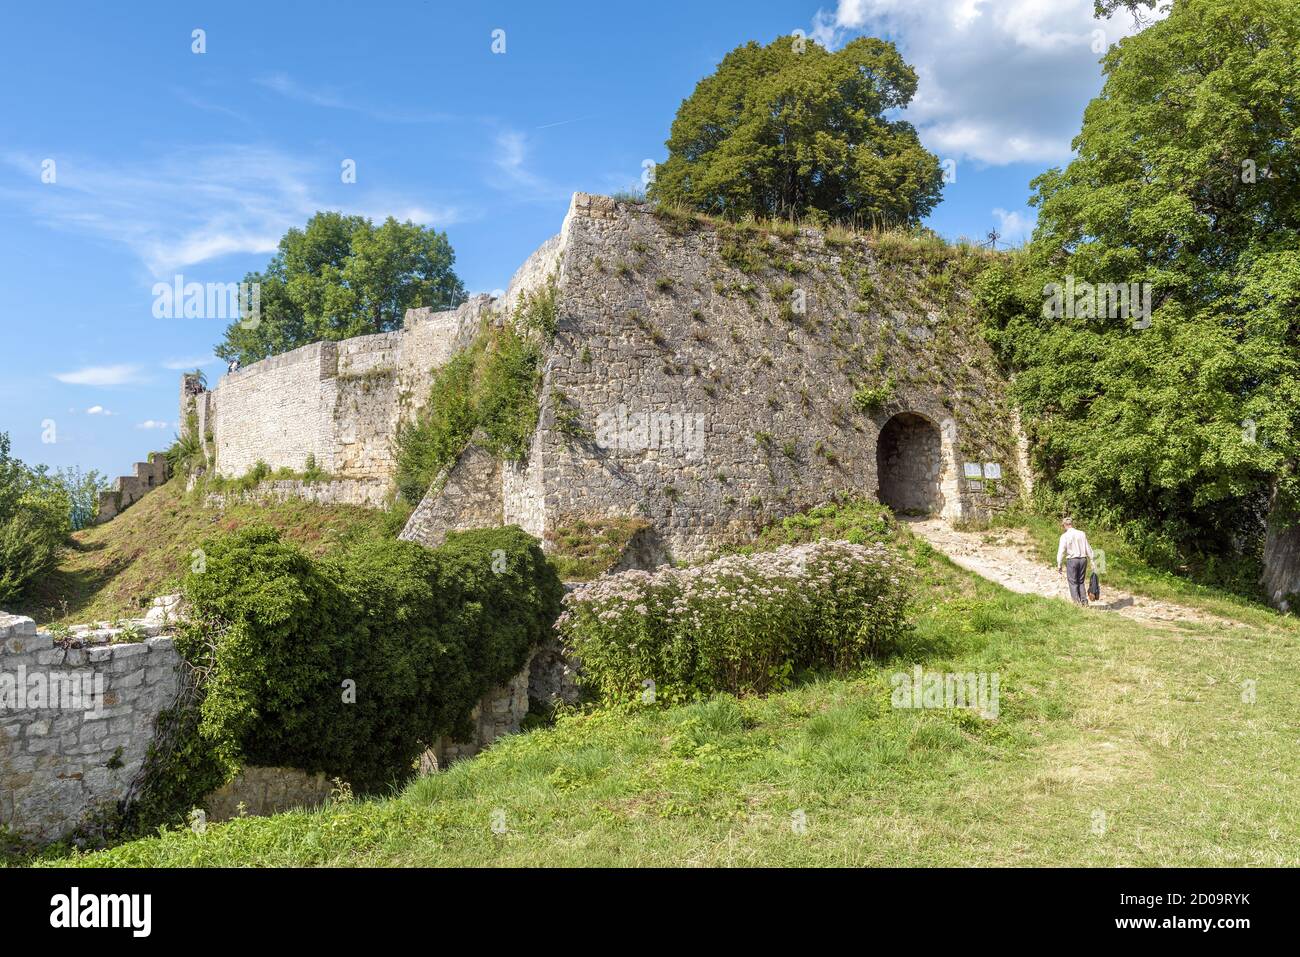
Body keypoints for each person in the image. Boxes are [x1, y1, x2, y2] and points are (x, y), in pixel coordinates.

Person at [1056, 516, 1095, 606]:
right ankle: (1084, 602)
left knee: (1073, 582)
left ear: (1065, 525)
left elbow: (1061, 551)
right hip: (1083, 560)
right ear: (1071, 524)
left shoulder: (1064, 536)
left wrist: (1059, 564)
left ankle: (1076, 603)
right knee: (1080, 581)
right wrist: (1092, 559)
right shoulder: (1082, 533)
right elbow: (1088, 547)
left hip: (1072, 560)